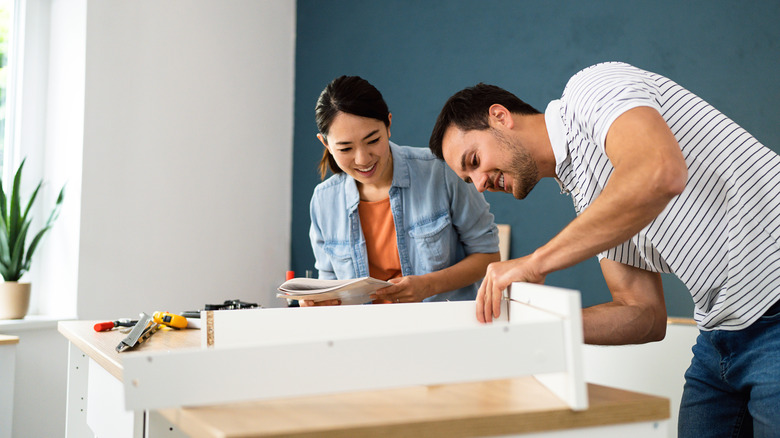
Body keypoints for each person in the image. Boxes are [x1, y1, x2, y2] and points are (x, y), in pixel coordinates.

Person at [428, 62, 780, 437]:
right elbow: (642, 313)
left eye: (474, 161)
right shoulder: (588, 195)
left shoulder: (590, 88)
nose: (479, 184)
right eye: (469, 180)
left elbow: (660, 170)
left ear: (499, 117)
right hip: (720, 336)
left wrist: (535, 262)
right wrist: (539, 326)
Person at [306, 75, 500, 307]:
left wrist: (428, 285)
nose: (363, 159)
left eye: (372, 140)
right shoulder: (323, 201)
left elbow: (488, 257)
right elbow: (329, 283)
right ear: (326, 143)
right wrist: (320, 302)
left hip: (440, 329)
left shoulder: (441, 171)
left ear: (388, 125)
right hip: (366, 336)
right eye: (345, 148)